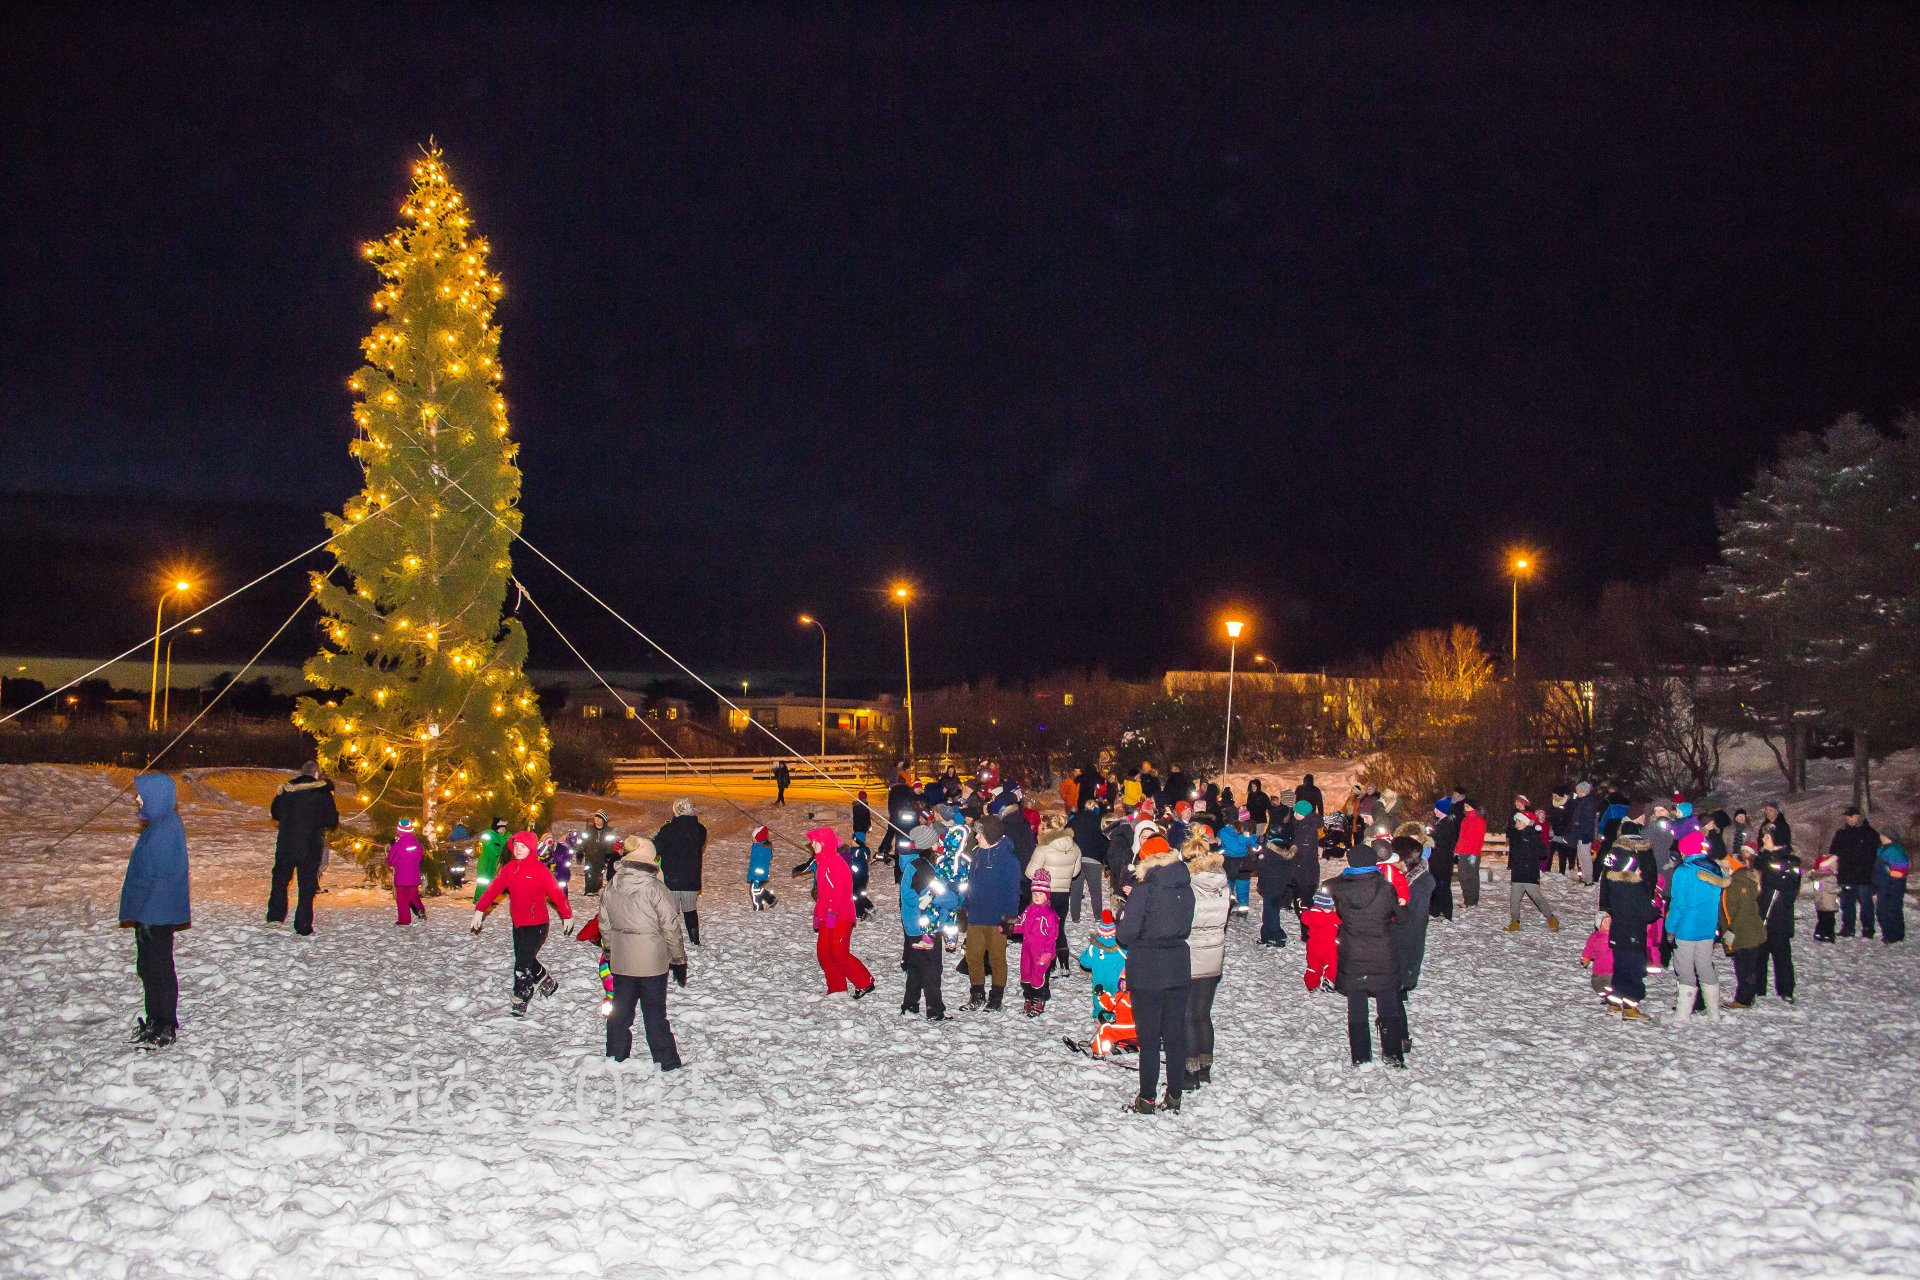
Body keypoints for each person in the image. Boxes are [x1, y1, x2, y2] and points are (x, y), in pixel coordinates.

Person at [1116, 832, 1193, 1113]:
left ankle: (1147, 1098)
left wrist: (1123, 913)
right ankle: (1174, 1095)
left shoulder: (1144, 889)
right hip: (1178, 966)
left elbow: (1126, 934)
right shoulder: (1185, 886)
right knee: (1174, 1036)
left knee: (1149, 1039)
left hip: (1148, 968)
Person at [596, 834, 686, 1070]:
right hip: (652, 962)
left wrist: (611, 950)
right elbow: (670, 926)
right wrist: (678, 958)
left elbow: (604, 922)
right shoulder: (656, 888)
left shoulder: (612, 885)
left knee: (620, 1012)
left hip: (622, 960)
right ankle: (666, 1060)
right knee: (655, 1014)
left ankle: (615, 1053)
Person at [472, 831, 576, 1017]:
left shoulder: (539, 870)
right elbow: (494, 889)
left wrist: (566, 914)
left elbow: (556, 892)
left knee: (521, 965)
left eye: (523, 846)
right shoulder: (510, 869)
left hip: (537, 924)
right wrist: (480, 909)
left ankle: (521, 997)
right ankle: (546, 981)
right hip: (519, 923)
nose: (518, 850)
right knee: (525, 957)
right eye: (516, 846)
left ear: (531, 849)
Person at [121, 773, 190, 1048]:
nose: (137, 798)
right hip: (150, 912)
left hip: (156, 914)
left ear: (157, 796)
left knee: (159, 968)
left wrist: (148, 917)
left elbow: (162, 878)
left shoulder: (165, 830)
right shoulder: (160, 823)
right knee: (148, 967)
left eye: (142, 793)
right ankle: (155, 1019)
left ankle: (165, 1024)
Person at [1329, 842, 1406, 1065]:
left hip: (1352, 952)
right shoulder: (1385, 888)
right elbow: (1402, 918)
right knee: (1388, 1001)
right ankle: (1392, 1053)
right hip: (1382, 954)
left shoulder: (1339, 888)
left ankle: (1361, 1055)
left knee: (1356, 1005)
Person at [1665, 832, 1731, 1024]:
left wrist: (1670, 928)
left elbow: (1678, 904)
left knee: (1684, 969)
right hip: (1707, 928)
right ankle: (1713, 1013)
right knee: (1705, 966)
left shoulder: (1684, 871)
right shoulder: (1715, 870)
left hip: (1686, 928)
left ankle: (1683, 1014)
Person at [266, 760, 338, 935]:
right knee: (307, 884)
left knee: (280, 880)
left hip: (287, 843)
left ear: (301, 772)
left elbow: (275, 813)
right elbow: (331, 820)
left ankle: (275, 917)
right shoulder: (323, 792)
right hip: (310, 845)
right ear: (316, 773)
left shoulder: (286, 790)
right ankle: (303, 924)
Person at [803, 827, 874, 999]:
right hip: (827, 915)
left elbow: (840, 892)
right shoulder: (822, 863)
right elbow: (823, 894)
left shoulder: (836, 863)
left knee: (838, 951)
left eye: (816, 841)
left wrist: (831, 915)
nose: (812, 844)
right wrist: (818, 914)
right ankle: (837, 987)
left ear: (824, 843)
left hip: (840, 915)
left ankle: (865, 981)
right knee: (824, 952)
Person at [1182, 840, 1231, 1091]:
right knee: (1202, 1013)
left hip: (1192, 953)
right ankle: (1205, 1067)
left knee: (1187, 1015)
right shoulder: (1221, 882)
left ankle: (1189, 1070)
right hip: (1214, 952)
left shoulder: (1190, 886)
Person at [964, 815, 1021, 1010]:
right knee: (973, 956)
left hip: (997, 919)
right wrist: (966, 903)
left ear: (990, 834)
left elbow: (1013, 891)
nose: (976, 837)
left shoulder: (1008, 860)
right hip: (976, 916)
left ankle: (996, 997)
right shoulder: (977, 854)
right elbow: (971, 883)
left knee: (997, 959)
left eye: (979, 834)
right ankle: (977, 994)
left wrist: (1009, 917)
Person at [1600, 837, 1656, 1018]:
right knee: (1634, 972)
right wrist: (1656, 911)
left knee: (1620, 969)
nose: (1640, 871)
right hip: (1633, 935)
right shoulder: (1635, 889)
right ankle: (1630, 1007)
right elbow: (1645, 913)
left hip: (1618, 935)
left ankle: (1614, 1003)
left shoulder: (1615, 885)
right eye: (1637, 868)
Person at [898, 828, 946, 1019]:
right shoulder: (922, 869)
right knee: (931, 967)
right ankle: (935, 1009)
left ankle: (910, 1004)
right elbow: (933, 896)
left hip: (913, 925)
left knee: (917, 965)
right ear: (927, 845)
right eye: (936, 841)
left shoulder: (913, 863)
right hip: (925, 926)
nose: (939, 844)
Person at [654, 798, 708, 945]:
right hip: (691, 877)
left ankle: (670, 939)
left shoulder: (668, 830)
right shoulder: (700, 829)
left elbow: (656, 848)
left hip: (671, 877)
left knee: (671, 911)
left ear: (676, 810)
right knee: (690, 909)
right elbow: (700, 842)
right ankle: (695, 940)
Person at [1755, 830, 1801, 1001]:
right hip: (1762, 913)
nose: (1763, 839)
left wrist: (1769, 867)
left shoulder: (1790, 861)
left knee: (1781, 954)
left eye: (1767, 837)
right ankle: (1758, 988)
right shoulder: (1764, 858)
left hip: (1779, 916)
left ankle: (1786, 990)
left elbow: (1788, 886)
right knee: (1759, 953)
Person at [1027, 826, 1081, 968]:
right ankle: (1064, 964)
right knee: (1059, 928)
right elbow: (1075, 873)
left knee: (1044, 930)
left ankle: (1050, 964)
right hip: (1063, 894)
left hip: (1045, 894)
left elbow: (1030, 872)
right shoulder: (1074, 847)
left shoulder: (1042, 849)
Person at [1721, 843, 1767, 1009]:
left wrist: (1732, 929)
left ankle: (1744, 999)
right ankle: (1746, 996)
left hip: (1746, 932)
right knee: (1742, 965)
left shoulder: (1741, 882)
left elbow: (1744, 909)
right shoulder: (1733, 882)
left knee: (1745, 968)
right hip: (1741, 931)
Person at [1391, 831, 1434, 999]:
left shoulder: (1418, 884)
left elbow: (1414, 925)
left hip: (1406, 941)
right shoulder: (1406, 878)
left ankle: (1401, 987)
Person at [1504, 810, 1559, 932]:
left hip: (1530, 872)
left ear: (1525, 822)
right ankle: (1515, 921)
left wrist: (1532, 850)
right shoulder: (1516, 836)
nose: (1517, 823)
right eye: (1516, 821)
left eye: (1519, 821)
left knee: (1537, 897)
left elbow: (1543, 852)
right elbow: (1513, 851)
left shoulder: (1533, 836)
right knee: (1514, 899)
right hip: (1518, 872)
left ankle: (1551, 918)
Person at [1830, 808, 1881, 939]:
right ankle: (1848, 928)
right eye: (1847, 817)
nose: (1849, 819)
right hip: (1846, 875)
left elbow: (1876, 853)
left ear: (1858, 817)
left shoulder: (1869, 833)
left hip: (1864, 876)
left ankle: (1868, 929)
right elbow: (1833, 850)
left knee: (1866, 904)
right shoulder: (1841, 833)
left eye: (1851, 816)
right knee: (1846, 904)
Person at [1019, 870, 1061, 1017]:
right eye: (1034, 893)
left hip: (1041, 952)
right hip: (1027, 950)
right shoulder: (1029, 910)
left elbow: (1052, 936)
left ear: (1047, 895)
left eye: (1040, 894)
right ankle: (1029, 997)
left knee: (1038, 976)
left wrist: (1048, 953)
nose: (1036, 896)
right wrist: (1008, 927)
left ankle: (1038, 999)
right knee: (1026, 974)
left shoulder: (1049, 915)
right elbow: (1021, 924)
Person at [1068, 800, 1108, 925]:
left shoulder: (1074, 820)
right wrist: (1104, 859)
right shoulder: (1099, 822)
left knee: (1076, 889)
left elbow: (1067, 835)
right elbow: (1104, 842)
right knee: (1095, 890)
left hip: (1077, 858)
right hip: (1094, 859)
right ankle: (1098, 916)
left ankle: (1075, 916)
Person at [387, 817, 427, 925]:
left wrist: (394, 863)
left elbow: (391, 861)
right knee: (413, 895)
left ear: (399, 831)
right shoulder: (417, 844)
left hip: (401, 877)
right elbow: (420, 859)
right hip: (414, 876)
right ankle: (419, 909)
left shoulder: (398, 845)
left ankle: (404, 920)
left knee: (402, 899)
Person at [1219, 810, 1257, 916]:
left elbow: (1220, 847)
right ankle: (1243, 910)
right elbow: (1251, 842)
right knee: (1243, 886)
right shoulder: (1244, 830)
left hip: (1229, 861)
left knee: (1228, 885)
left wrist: (1222, 852)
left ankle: (1228, 905)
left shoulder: (1222, 832)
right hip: (1243, 862)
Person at [1875, 828, 1909, 944]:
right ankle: (1888, 934)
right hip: (1882, 885)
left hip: (1894, 885)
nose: (1880, 837)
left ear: (1889, 837)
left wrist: (1889, 873)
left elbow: (1902, 871)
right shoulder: (1880, 849)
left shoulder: (1896, 850)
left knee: (1893, 910)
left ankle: (1896, 935)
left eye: (1883, 835)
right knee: (1881, 911)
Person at [1302, 888, 1339, 992]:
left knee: (1313, 965)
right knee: (1332, 964)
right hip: (1329, 946)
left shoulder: (1309, 915)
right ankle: (1328, 981)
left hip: (1313, 945)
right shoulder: (1332, 916)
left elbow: (1304, 918)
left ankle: (1311, 984)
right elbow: (1340, 923)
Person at [1427, 800, 1459, 920]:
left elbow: (1440, 840)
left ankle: (1445, 912)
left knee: (1442, 886)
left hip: (1442, 861)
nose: (1434, 811)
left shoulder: (1446, 824)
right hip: (1440, 860)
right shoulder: (1443, 822)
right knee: (1437, 885)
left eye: (1437, 808)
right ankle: (1436, 910)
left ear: (1443, 810)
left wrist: (1431, 834)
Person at [576, 811, 619, 896]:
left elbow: (610, 844)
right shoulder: (589, 830)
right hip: (590, 854)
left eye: (599, 818)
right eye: (596, 817)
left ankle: (597, 889)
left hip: (601, 855)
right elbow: (583, 841)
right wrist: (580, 852)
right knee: (589, 871)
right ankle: (589, 889)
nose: (597, 819)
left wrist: (608, 854)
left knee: (599, 872)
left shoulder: (608, 831)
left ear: (603, 820)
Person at [1455, 800, 1486, 908]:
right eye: (1465, 806)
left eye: (1468, 806)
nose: (1465, 807)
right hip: (1462, 851)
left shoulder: (1479, 820)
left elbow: (1479, 838)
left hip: (1472, 853)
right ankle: (1467, 898)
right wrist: (1457, 849)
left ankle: (1471, 901)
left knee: (1471, 876)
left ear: (1474, 807)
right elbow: (1461, 836)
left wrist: (1473, 852)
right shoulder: (1464, 820)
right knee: (1462, 876)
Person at [1567, 781, 1599, 884]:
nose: (1576, 792)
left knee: (1585, 856)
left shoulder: (1588, 802)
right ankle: (1585, 877)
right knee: (1581, 856)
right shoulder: (1582, 801)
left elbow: (1588, 821)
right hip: (1580, 834)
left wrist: (1585, 834)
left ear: (1582, 791)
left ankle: (1588, 879)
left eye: (1577, 790)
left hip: (1584, 835)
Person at [473, 818, 509, 905]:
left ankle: (486, 899)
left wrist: (505, 835)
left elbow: (506, 843)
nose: (503, 830)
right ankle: (478, 899)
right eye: (502, 828)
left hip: (493, 863)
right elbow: (496, 850)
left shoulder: (499, 836)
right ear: (497, 828)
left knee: (490, 882)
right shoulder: (489, 835)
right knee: (483, 881)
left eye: (504, 828)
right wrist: (501, 836)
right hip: (486, 862)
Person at [1808, 847, 1840, 943]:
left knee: (1821, 920)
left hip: (1820, 903)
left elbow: (1818, 888)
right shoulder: (1830, 877)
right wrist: (1840, 889)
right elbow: (1831, 889)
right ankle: (1828, 935)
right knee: (1829, 921)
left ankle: (1818, 933)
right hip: (1828, 904)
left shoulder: (1817, 877)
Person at [1581, 915, 1614, 996]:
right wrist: (1586, 958)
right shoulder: (1594, 937)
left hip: (1611, 968)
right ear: (1599, 924)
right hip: (1598, 967)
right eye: (1605, 922)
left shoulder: (1615, 936)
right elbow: (1588, 948)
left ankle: (1610, 996)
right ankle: (1603, 993)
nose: (1608, 923)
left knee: (1610, 983)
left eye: (1610, 921)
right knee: (1596, 983)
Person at [747, 825, 776, 911]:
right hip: (760, 873)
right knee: (758, 888)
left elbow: (759, 863)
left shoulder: (760, 848)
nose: (752, 839)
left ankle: (758, 908)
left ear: (759, 839)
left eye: (754, 838)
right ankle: (771, 899)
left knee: (754, 890)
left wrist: (754, 875)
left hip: (758, 874)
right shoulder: (760, 847)